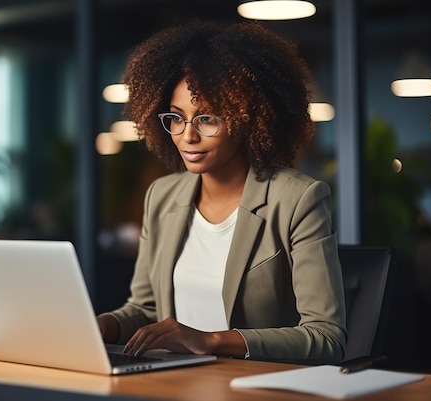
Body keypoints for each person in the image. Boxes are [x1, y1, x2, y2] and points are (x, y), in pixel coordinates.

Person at [96, 19, 346, 365]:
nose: (187, 136)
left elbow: (326, 337)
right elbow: (145, 308)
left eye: (207, 119)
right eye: (176, 118)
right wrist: (101, 326)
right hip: (172, 384)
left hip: (255, 386)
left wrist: (210, 340)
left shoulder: (297, 199)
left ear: (248, 119)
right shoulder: (162, 196)